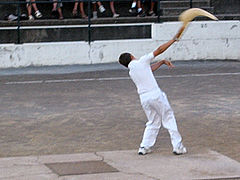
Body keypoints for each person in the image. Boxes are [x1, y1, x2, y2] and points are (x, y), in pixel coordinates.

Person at [118, 25, 187, 155]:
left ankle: (144, 147)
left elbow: (149, 69)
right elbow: (159, 49)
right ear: (132, 57)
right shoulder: (142, 61)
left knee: (153, 122)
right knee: (168, 117)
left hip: (144, 99)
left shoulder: (132, 70)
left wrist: (161, 63)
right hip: (155, 95)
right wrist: (173, 40)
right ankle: (177, 146)